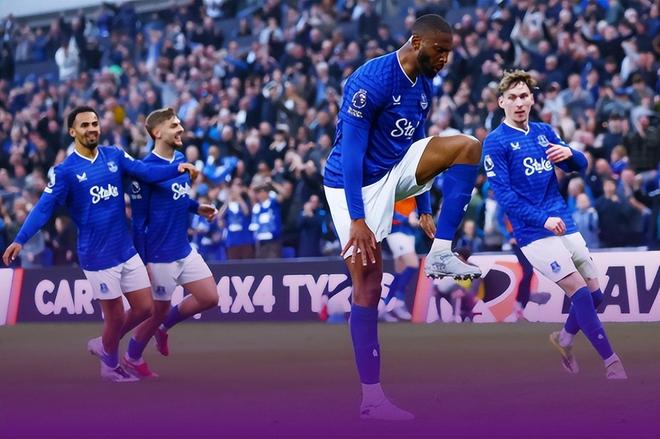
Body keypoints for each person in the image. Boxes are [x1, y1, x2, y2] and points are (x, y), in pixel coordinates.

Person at [323, 14, 482, 421]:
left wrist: (423, 206)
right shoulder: (371, 80)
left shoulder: (425, 80)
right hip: (353, 184)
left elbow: (417, 141)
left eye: (448, 52)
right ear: (416, 42)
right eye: (439, 50)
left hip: (395, 169)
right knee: (368, 284)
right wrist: (358, 218)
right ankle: (371, 399)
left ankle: (442, 252)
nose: (445, 58)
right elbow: (352, 153)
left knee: (467, 146)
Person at [2, 106, 198, 382]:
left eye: (94, 123)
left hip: (125, 249)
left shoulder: (114, 155)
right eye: (85, 125)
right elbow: (44, 208)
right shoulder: (65, 171)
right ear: (73, 132)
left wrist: (175, 168)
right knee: (115, 317)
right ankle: (110, 365)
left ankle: (103, 344)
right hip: (97, 255)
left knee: (145, 308)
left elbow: (144, 171)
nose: (92, 128)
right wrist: (20, 239)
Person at [482, 70, 627, 379]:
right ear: (501, 102)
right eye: (512, 97)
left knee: (595, 296)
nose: (519, 103)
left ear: (532, 100)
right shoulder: (495, 142)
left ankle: (564, 339)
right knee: (578, 291)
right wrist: (543, 219)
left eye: (524, 96)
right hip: (533, 232)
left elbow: (580, 167)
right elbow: (506, 198)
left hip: (563, 221)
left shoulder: (543, 131)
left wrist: (571, 153)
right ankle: (612, 363)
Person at [124, 107, 219, 378]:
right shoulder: (144, 170)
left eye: (180, 124)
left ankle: (164, 328)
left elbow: (175, 197)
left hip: (183, 248)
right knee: (156, 312)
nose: (181, 129)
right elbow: (139, 221)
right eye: (174, 126)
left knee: (209, 297)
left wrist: (196, 207)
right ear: (157, 132)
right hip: (159, 255)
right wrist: (143, 262)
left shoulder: (179, 160)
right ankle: (132, 357)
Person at [381, 198, 419, 321]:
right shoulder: (394, 191)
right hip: (397, 232)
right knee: (413, 264)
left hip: (409, 233)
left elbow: (413, 210)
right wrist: (407, 219)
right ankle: (399, 301)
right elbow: (387, 211)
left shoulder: (415, 194)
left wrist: (416, 217)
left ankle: (383, 307)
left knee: (400, 272)